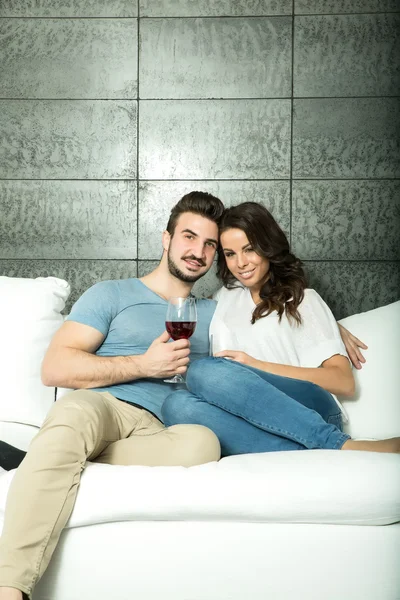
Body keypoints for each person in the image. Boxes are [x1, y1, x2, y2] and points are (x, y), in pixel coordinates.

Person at [0, 192, 370, 600]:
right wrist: (144, 365)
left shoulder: (214, 311)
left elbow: (268, 322)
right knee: (74, 419)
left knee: (204, 444)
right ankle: (11, 588)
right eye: (189, 237)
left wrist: (333, 326)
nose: (199, 251)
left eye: (210, 245)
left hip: (170, 424)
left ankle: (52, 454)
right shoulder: (111, 294)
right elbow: (55, 369)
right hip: (104, 405)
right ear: (166, 238)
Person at [162, 202, 400, 456]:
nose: (241, 263)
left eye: (249, 249)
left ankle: (336, 443)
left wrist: (256, 366)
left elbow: (343, 381)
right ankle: (304, 451)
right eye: (230, 254)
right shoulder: (225, 297)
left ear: (267, 247)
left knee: (204, 372)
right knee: (175, 406)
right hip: (260, 421)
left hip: (309, 410)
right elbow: (183, 314)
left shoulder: (302, 299)